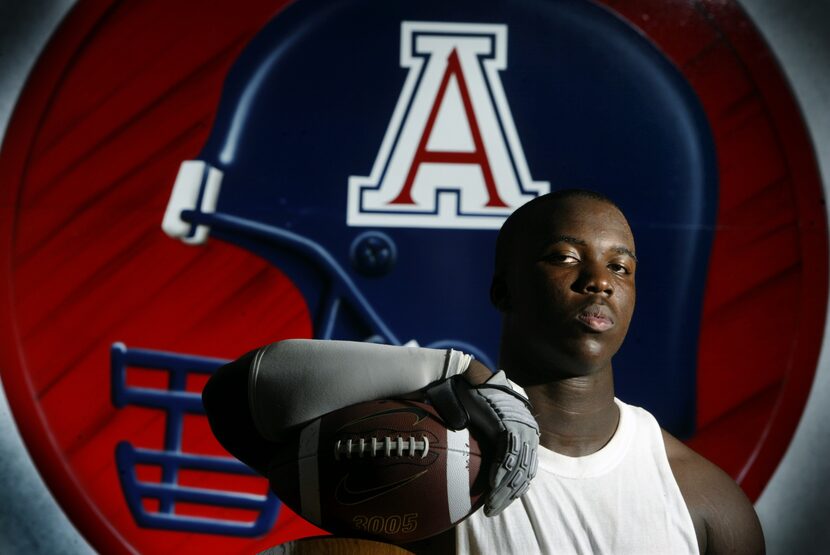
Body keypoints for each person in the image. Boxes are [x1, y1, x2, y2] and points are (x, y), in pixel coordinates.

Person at [203, 189, 764, 554]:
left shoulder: (702, 501)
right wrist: (457, 369)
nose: (600, 280)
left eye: (621, 266)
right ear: (502, 288)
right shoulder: (434, 452)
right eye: (566, 257)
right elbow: (232, 399)